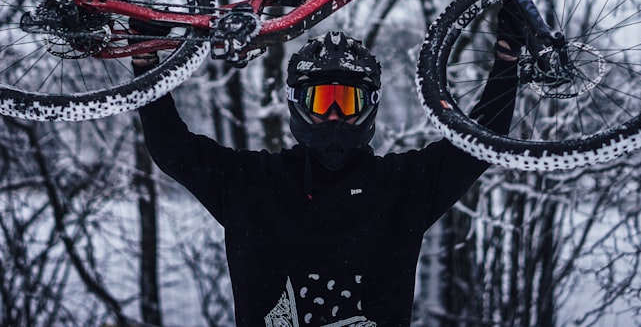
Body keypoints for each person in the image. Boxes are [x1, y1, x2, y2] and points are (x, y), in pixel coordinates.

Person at [137, 16, 521, 327]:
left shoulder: (402, 186)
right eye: (321, 100)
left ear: (369, 106)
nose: (334, 115)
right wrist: (146, 61)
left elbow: (479, 144)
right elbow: (173, 150)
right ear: (296, 103)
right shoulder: (251, 183)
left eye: (347, 101)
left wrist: (507, 58)